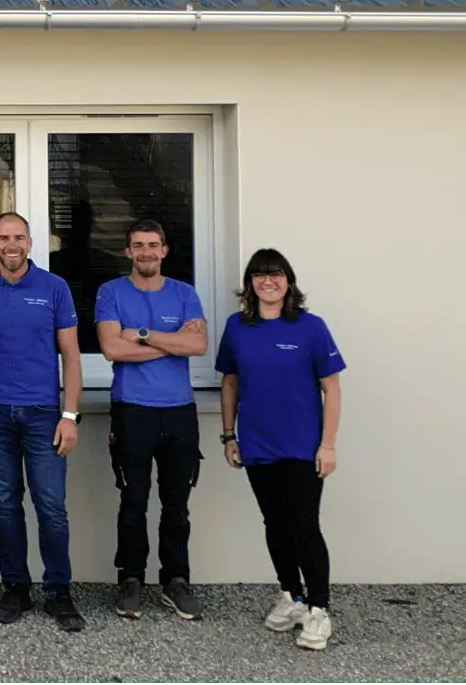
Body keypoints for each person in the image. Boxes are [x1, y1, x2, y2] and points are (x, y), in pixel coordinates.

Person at [0, 212, 86, 631]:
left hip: (43, 415)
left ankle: (58, 591)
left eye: (19, 237)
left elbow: (71, 356)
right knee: (6, 503)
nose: (11, 245)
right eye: (3, 238)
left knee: (51, 506)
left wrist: (69, 415)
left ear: (30, 243)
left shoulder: (54, 288)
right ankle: (15, 587)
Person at [218, 249, 345, 652]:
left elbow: (332, 389)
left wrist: (328, 444)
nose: (267, 281)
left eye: (275, 274)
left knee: (304, 524)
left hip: (302, 446)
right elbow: (230, 383)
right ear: (250, 283)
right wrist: (228, 435)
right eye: (259, 275)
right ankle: (292, 596)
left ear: (288, 282)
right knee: (274, 522)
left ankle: (319, 609)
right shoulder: (237, 327)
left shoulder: (311, 327)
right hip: (257, 443)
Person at [95, 220, 209, 622]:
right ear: (128, 251)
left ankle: (176, 580)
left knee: (177, 504)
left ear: (164, 250)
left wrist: (142, 334)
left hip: (179, 410)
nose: (146, 251)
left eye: (153, 244)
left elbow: (198, 344)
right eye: (138, 245)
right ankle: (130, 579)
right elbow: (112, 349)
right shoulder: (111, 292)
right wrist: (172, 342)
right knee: (134, 501)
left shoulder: (184, 293)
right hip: (133, 410)